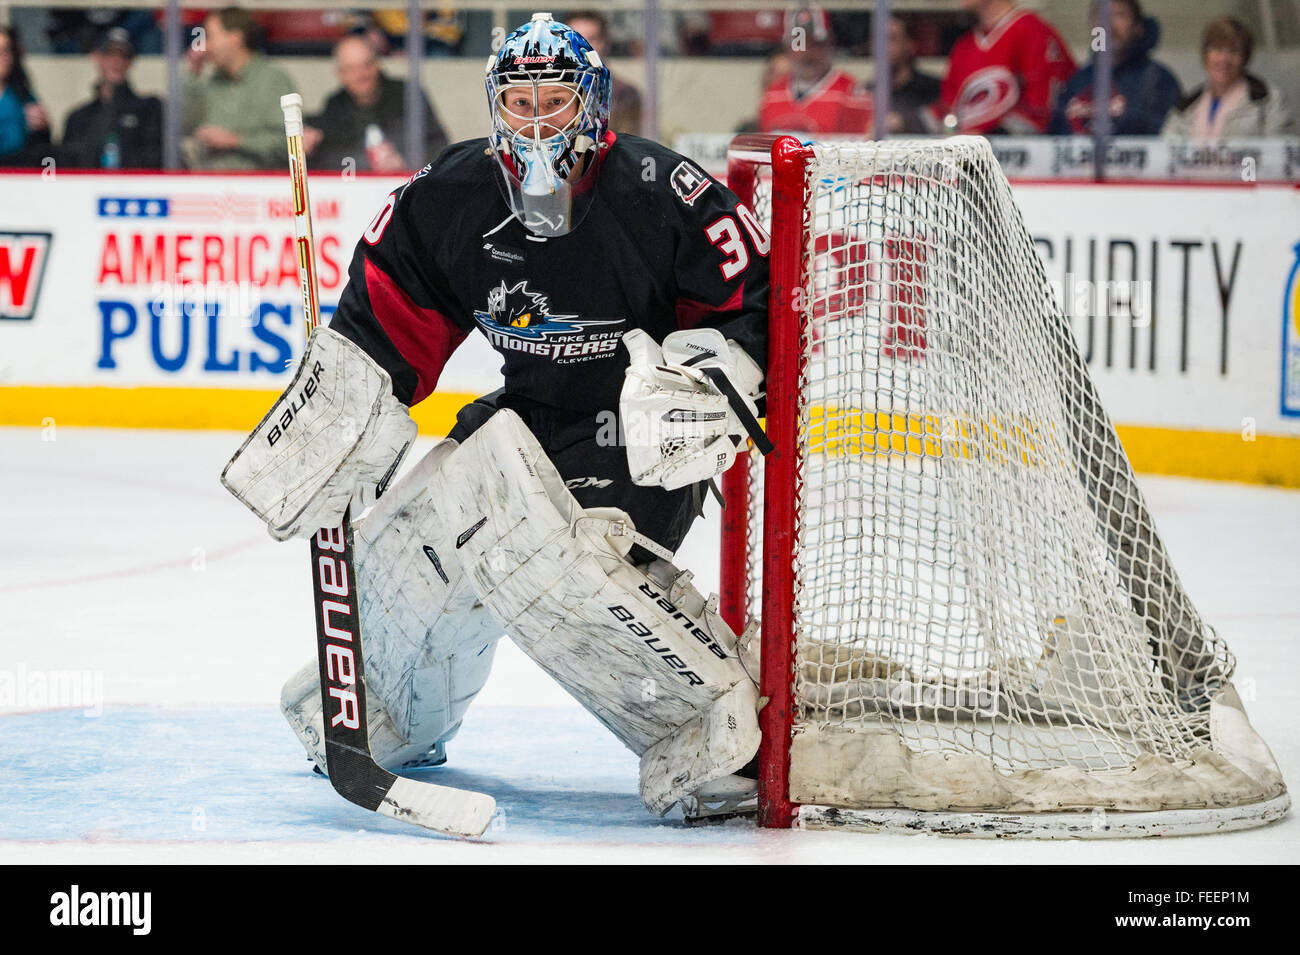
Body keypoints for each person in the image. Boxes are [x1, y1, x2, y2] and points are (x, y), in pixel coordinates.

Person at [221, 14, 770, 823]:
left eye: (555, 100)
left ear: (593, 102)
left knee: (559, 559)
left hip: (632, 437)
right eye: (520, 101)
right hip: (529, 413)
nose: (537, 120)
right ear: (495, 105)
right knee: (422, 536)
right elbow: (389, 319)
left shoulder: (662, 191)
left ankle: (710, 729)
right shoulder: (452, 196)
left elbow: (748, 308)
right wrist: (345, 409)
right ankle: (393, 716)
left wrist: (709, 376)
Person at [304, 34, 448, 173]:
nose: (361, 75)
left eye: (367, 65)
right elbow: (328, 160)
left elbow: (439, 148)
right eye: (351, 69)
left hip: (407, 183)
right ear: (340, 74)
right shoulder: (335, 106)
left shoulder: (407, 95)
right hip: (358, 186)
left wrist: (406, 163)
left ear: (378, 64)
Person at [929, 0, 1075, 134]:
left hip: (1021, 151)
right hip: (968, 150)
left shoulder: (1032, 30)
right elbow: (946, 110)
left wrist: (986, 138)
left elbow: (1041, 111)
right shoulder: (964, 46)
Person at [181, 7, 296, 170]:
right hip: (207, 180)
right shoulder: (209, 82)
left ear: (235, 38)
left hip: (259, 182)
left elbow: (291, 143)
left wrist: (234, 140)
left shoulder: (273, 80)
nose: (206, 46)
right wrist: (193, 71)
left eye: (211, 37)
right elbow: (180, 127)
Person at [1050, 0, 1180, 135]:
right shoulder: (1076, 82)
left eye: (1120, 14)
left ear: (1138, 27)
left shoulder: (1158, 80)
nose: (1109, 23)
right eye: (1101, 15)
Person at [1161, 17, 1292, 139]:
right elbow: (1167, 149)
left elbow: (1281, 151)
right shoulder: (1186, 106)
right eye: (1217, 49)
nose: (1224, 59)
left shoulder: (1268, 101)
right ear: (1205, 55)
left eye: (1233, 51)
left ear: (1245, 58)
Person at [758, 5, 873, 135]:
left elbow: (859, 144)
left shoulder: (852, 93)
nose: (807, 53)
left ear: (830, 43)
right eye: (799, 43)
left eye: (816, 43)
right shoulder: (771, 95)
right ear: (787, 47)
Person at [61, 28, 163, 169]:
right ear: (96, 57)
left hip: (134, 183)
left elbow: (156, 158)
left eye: (124, 55)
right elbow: (66, 165)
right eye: (109, 54)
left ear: (131, 62)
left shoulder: (149, 109)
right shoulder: (78, 117)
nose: (117, 61)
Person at [565, 10, 643, 136]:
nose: (582, 47)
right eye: (575, 40)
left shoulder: (624, 94)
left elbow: (624, 141)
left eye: (591, 39)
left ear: (604, 43)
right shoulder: (545, 89)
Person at [0, 26, 52, 166]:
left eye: (6, 51)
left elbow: (42, 152)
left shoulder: (24, 98)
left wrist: (43, 129)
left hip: (17, 172)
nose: (3, 58)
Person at [885, 15, 941, 134]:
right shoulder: (868, 92)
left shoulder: (933, 89)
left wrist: (903, 123)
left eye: (891, 39)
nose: (883, 47)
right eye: (878, 40)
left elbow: (943, 123)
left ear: (909, 45)